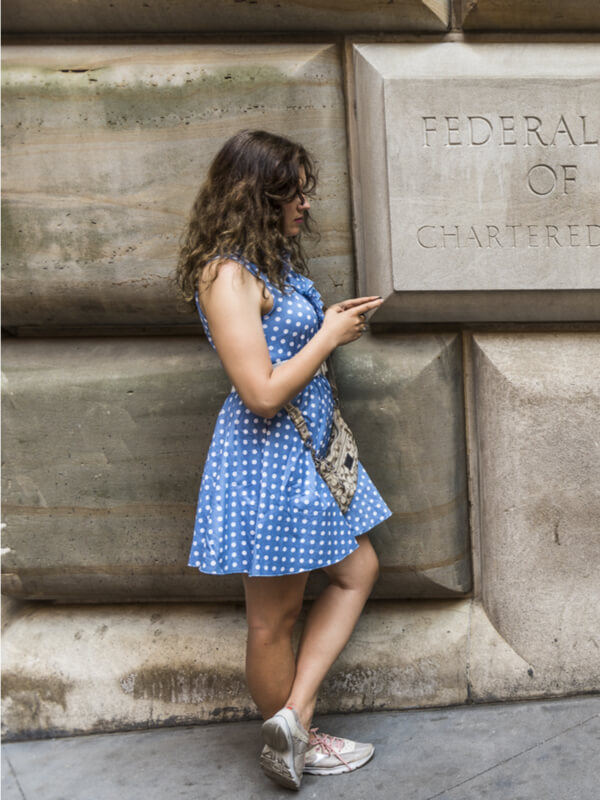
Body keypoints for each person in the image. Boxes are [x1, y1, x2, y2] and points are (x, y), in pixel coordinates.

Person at [175, 129, 389, 791]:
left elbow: (280, 347)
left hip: (302, 457)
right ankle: (291, 738)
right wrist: (328, 335)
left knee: (358, 570)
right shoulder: (227, 273)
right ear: (257, 194)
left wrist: (326, 318)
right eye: (293, 190)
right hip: (266, 461)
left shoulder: (269, 265)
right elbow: (261, 392)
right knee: (274, 618)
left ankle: (291, 724)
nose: (305, 203)